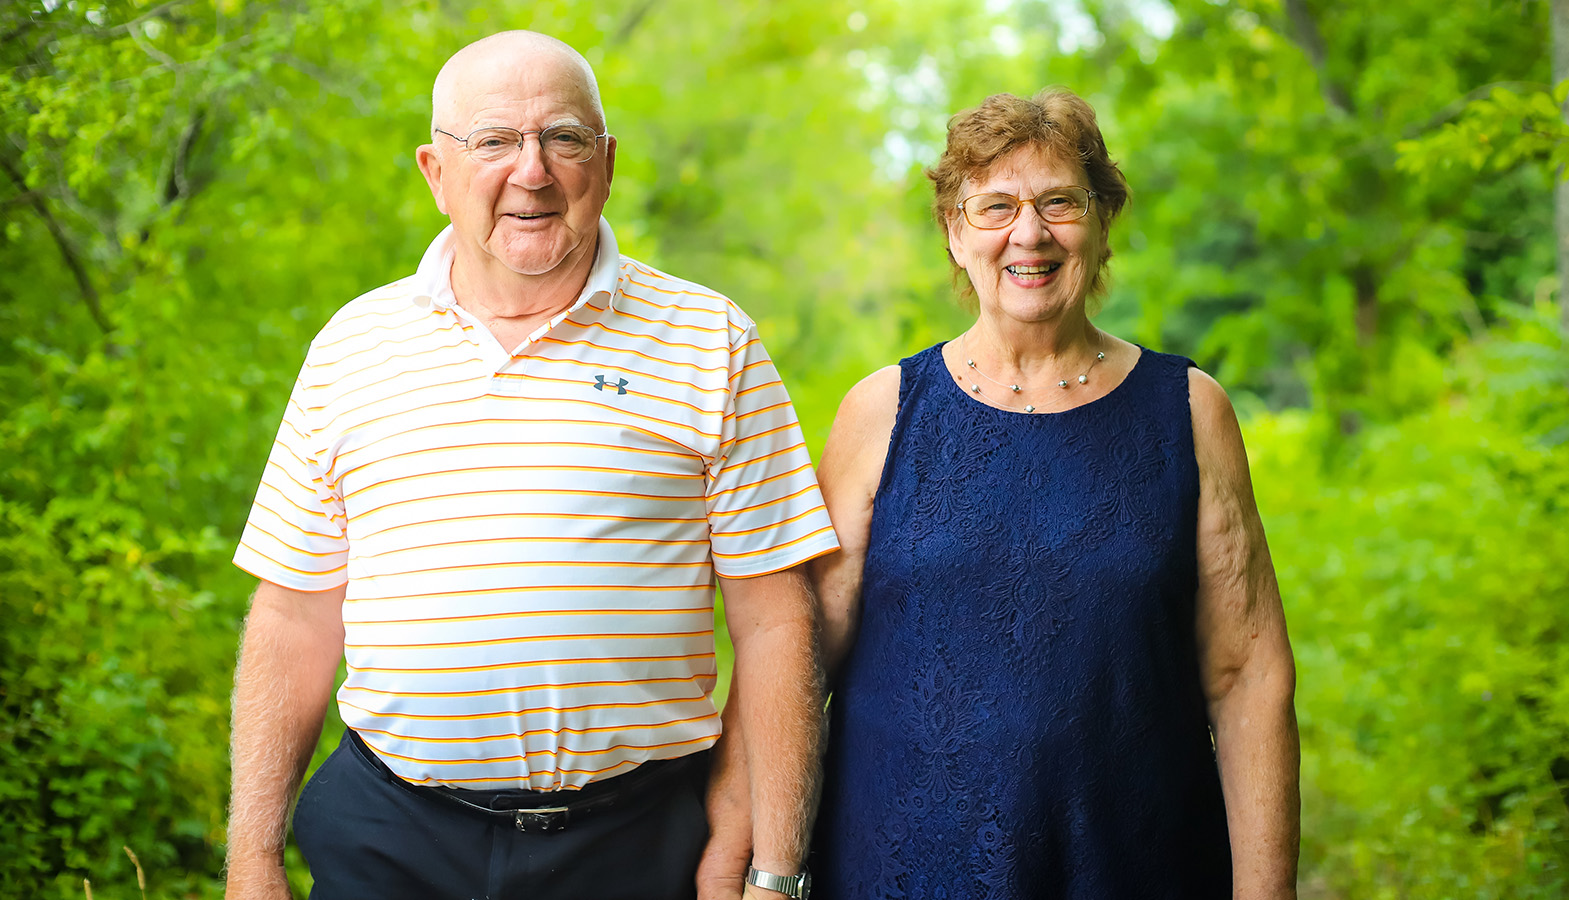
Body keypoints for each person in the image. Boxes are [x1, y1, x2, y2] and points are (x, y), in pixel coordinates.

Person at [224, 31, 835, 900]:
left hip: (637, 844)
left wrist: (774, 872)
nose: (533, 171)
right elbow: (291, 615)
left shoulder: (711, 341)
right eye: (495, 142)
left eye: (564, 138)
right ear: (436, 173)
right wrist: (251, 861)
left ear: (608, 162)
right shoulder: (349, 349)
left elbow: (776, 621)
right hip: (390, 839)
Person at [808, 88, 1300, 898]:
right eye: (995, 206)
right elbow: (801, 661)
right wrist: (766, 864)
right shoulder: (881, 413)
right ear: (954, 232)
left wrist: (1266, 892)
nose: (1028, 234)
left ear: (1103, 222)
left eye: (1059, 203)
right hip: (901, 865)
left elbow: (1248, 672)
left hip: (1137, 863)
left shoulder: (1189, 410)